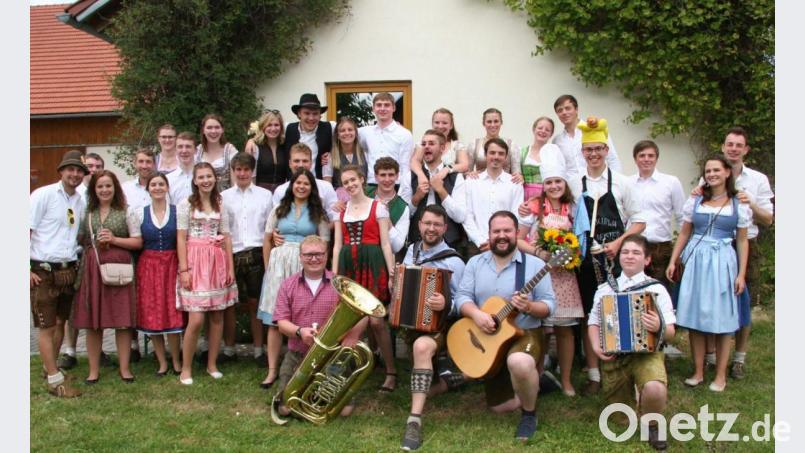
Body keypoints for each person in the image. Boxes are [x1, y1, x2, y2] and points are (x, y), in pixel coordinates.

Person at [455, 211, 555, 441]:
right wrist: (477, 315)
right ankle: (539, 383)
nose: (502, 236)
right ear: (489, 234)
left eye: (507, 231)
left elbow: (549, 305)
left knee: (518, 362)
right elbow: (462, 297)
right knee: (500, 407)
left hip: (525, 332)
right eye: (496, 231)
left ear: (516, 233)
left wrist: (529, 306)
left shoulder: (536, 265)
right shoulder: (475, 263)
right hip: (490, 337)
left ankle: (529, 414)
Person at [572, 117, 645, 395]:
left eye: (598, 149)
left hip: (616, 261)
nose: (593, 155)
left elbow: (639, 221)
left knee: (622, 312)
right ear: (583, 153)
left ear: (606, 151)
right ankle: (593, 374)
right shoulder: (575, 183)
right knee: (589, 314)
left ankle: (625, 369)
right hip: (586, 261)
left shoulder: (623, 183)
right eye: (588, 150)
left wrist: (619, 242)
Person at [666, 155, 750, 392]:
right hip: (696, 259)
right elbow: (684, 233)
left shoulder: (738, 202)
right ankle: (699, 370)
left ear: (727, 173)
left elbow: (742, 241)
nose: (711, 174)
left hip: (723, 259)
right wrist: (674, 260)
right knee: (694, 316)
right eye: (708, 171)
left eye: (716, 170)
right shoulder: (696, 200)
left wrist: (741, 274)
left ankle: (721, 375)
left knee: (723, 318)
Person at [588, 234, 676, 451]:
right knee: (621, 419)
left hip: (646, 354)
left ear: (646, 260)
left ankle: (652, 424)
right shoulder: (606, 290)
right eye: (625, 252)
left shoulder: (656, 290)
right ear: (619, 257)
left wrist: (659, 327)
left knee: (655, 389)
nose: (629, 256)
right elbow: (593, 322)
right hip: (615, 356)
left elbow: (672, 332)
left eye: (636, 252)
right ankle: (635, 397)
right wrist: (596, 346)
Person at [272, 235, 365, 418]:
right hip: (298, 353)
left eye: (319, 254)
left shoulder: (341, 284)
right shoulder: (288, 285)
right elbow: (281, 322)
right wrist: (299, 332)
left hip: (332, 357)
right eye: (308, 255)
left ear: (326, 255)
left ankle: (319, 394)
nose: (314, 259)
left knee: (344, 411)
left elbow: (363, 315)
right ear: (300, 257)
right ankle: (311, 395)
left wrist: (352, 337)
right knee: (285, 408)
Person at [398, 205, 466, 451]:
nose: (431, 228)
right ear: (419, 225)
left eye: (437, 224)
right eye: (427, 223)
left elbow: (465, 301)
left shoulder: (454, 261)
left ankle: (414, 419)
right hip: (413, 324)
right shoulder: (410, 251)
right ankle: (452, 380)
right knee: (424, 366)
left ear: (445, 229)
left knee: (421, 346)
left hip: (443, 326)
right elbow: (405, 282)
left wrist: (446, 303)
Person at [257, 169, 331, 388]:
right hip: (278, 266)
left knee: (302, 316)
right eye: (298, 182)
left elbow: (324, 242)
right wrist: (268, 267)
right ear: (292, 185)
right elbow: (267, 239)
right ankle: (272, 371)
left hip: (305, 263)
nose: (301, 187)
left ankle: (304, 366)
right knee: (274, 320)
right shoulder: (279, 209)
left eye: (306, 184)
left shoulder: (319, 213)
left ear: (312, 187)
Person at [517, 163, 583, 396]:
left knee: (565, 330)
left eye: (558, 181)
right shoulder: (534, 207)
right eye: (549, 182)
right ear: (543, 186)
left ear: (565, 184)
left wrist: (572, 255)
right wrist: (540, 253)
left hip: (564, 276)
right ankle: (536, 375)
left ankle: (566, 380)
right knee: (539, 328)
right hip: (539, 274)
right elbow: (519, 239)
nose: (554, 186)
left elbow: (581, 238)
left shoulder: (573, 208)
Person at [72, 169, 143, 384]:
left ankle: (124, 368)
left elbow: (138, 242)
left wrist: (114, 239)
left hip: (120, 269)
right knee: (94, 322)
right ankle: (93, 371)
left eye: (108, 186)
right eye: (100, 186)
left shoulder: (126, 211)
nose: (105, 190)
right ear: (94, 190)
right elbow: (80, 240)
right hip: (93, 269)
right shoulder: (88, 213)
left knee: (122, 322)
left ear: (115, 188)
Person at [332, 165, 397, 392]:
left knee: (377, 321)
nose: (350, 185)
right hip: (349, 265)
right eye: (345, 182)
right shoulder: (341, 211)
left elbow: (386, 243)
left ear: (362, 180)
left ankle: (391, 371)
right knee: (353, 319)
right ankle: (361, 364)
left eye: (353, 180)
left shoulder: (378, 207)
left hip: (373, 263)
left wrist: (391, 274)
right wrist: (335, 276)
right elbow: (338, 245)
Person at [30, 150, 87, 397]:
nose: (74, 175)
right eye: (70, 170)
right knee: (46, 326)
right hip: (42, 269)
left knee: (61, 321)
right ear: (61, 171)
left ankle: (49, 368)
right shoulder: (42, 195)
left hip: (67, 269)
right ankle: (55, 381)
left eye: (79, 171)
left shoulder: (80, 201)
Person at [718, 127, 774, 380]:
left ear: (746, 150)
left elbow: (769, 219)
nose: (733, 149)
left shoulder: (758, 179)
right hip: (718, 246)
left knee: (743, 305)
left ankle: (738, 359)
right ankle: (712, 357)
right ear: (723, 147)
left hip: (746, 245)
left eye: (738, 145)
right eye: (729, 144)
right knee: (717, 302)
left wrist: (751, 202)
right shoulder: (712, 172)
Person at [176, 163, 239, 385]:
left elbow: (227, 236)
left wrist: (230, 268)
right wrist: (184, 269)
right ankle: (186, 368)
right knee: (195, 318)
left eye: (209, 176)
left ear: (215, 178)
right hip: (195, 260)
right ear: (194, 180)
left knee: (217, 315)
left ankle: (212, 364)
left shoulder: (220, 203)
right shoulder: (185, 204)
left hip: (216, 261)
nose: (206, 180)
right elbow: (181, 237)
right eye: (201, 177)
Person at [222, 153, 274, 366]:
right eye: (238, 170)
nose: (242, 173)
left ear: (252, 171)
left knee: (255, 303)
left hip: (255, 252)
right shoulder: (223, 196)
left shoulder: (265, 195)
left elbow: (269, 229)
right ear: (232, 171)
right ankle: (228, 349)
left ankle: (258, 350)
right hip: (231, 253)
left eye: (246, 169)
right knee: (230, 304)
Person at [133, 172, 184, 376]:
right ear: (148, 189)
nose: (157, 187)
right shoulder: (139, 213)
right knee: (152, 312)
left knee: (172, 310)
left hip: (172, 264)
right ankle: (162, 361)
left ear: (167, 187)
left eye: (161, 184)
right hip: (149, 266)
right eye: (153, 184)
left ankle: (177, 359)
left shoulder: (178, 211)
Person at [60, 151, 105, 370]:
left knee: (95, 303)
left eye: (98, 166)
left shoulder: (101, 193)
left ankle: (98, 349)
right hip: (72, 255)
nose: (94, 170)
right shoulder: (72, 194)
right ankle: (70, 349)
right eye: (90, 166)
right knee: (72, 307)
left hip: (93, 255)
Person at [628, 140, 685, 293]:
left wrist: (681, 251)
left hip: (661, 249)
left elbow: (682, 218)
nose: (646, 159)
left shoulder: (671, 182)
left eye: (650, 156)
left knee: (661, 292)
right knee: (634, 291)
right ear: (635, 159)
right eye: (642, 155)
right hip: (635, 246)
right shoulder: (627, 183)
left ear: (656, 158)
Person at [399, 129, 467, 251]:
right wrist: (416, 198)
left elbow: (460, 216)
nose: (426, 147)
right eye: (424, 144)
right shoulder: (410, 176)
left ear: (442, 148)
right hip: (416, 244)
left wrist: (442, 192)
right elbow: (402, 216)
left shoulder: (456, 177)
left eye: (431, 144)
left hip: (449, 244)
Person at [463, 138, 524, 257]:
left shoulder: (514, 184)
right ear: (485, 155)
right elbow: (467, 216)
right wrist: (480, 241)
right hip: (476, 246)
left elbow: (516, 217)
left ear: (506, 157)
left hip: (504, 245)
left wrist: (497, 241)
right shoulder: (471, 182)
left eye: (501, 153)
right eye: (492, 153)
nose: (496, 157)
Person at [552, 94, 620, 176]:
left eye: (568, 108)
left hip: (598, 183)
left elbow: (612, 159)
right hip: (572, 186)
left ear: (576, 109)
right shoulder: (557, 141)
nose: (564, 112)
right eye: (560, 110)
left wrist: (614, 183)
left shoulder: (595, 128)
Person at [271, 144, 339, 222]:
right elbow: (275, 220)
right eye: (296, 161)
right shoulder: (281, 190)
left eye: (305, 161)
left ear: (311, 163)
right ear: (290, 163)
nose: (301, 165)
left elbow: (334, 218)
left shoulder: (326, 187)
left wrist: (321, 231)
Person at [358, 92, 415, 185]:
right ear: (373, 108)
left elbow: (405, 168)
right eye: (379, 105)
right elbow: (342, 133)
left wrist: (403, 192)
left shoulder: (404, 134)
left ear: (394, 108)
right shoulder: (364, 133)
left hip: (396, 185)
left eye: (387, 105)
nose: (382, 108)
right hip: (371, 184)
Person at [409, 108, 471, 183]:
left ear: (451, 126)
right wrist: (420, 175)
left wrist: (446, 169)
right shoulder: (423, 144)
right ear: (432, 124)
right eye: (437, 122)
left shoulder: (457, 146)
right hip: (426, 184)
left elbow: (464, 165)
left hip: (450, 187)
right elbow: (414, 161)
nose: (440, 126)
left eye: (444, 123)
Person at [366, 157, 410, 257]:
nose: (387, 179)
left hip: (383, 258)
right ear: (376, 177)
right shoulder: (365, 192)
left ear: (397, 176)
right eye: (382, 175)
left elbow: (397, 247)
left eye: (391, 175)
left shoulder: (402, 207)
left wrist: (387, 219)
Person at [517, 117, 566, 201]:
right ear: (534, 129)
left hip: (548, 196)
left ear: (551, 134)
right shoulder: (522, 152)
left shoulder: (554, 153)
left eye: (547, 130)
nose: (543, 131)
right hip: (525, 196)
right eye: (540, 128)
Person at [467, 108, 521, 179]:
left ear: (501, 122)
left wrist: (519, 177)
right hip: (480, 186)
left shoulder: (511, 145)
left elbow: (516, 173)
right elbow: (467, 171)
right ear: (483, 123)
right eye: (489, 122)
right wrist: (470, 174)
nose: (493, 125)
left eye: (496, 121)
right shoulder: (474, 144)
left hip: (504, 185)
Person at [323, 116, 368, 198]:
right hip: (340, 202)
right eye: (342, 131)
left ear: (356, 133)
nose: (347, 133)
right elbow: (327, 186)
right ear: (337, 135)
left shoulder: (365, 154)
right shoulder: (330, 157)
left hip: (363, 199)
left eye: (350, 130)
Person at [195, 114, 239, 192]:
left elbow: (235, 183)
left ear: (222, 130)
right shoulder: (197, 151)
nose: (213, 131)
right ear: (203, 131)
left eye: (217, 127)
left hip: (225, 198)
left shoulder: (230, 151)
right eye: (209, 128)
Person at [249, 110, 291, 192]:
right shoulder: (255, 147)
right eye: (269, 125)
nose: (273, 129)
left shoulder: (285, 145)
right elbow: (251, 175)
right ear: (263, 127)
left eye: (276, 125)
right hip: (261, 192)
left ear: (281, 127)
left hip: (282, 192)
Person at [123, 148, 157, 214]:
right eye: (141, 161)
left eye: (148, 162)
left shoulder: (161, 189)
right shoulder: (125, 188)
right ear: (135, 164)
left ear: (154, 164)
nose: (144, 166)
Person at [168, 132, 198, 205]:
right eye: (180, 147)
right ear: (175, 150)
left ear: (195, 150)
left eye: (188, 146)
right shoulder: (168, 179)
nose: (184, 151)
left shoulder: (204, 178)